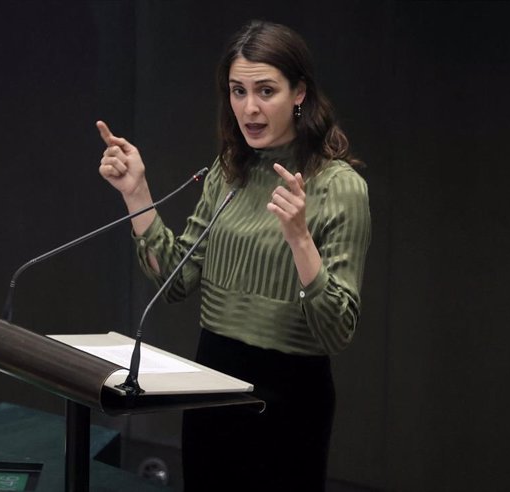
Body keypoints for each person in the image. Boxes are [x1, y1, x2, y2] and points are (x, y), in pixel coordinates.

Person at [97, 19, 370, 492]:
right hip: (212, 383)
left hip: (288, 396)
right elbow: (175, 282)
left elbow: (337, 330)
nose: (250, 108)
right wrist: (137, 194)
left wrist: (300, 239)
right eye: (237, 91)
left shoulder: (340, 187)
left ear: (299, 92)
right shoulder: (229, 171)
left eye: (266, 90)